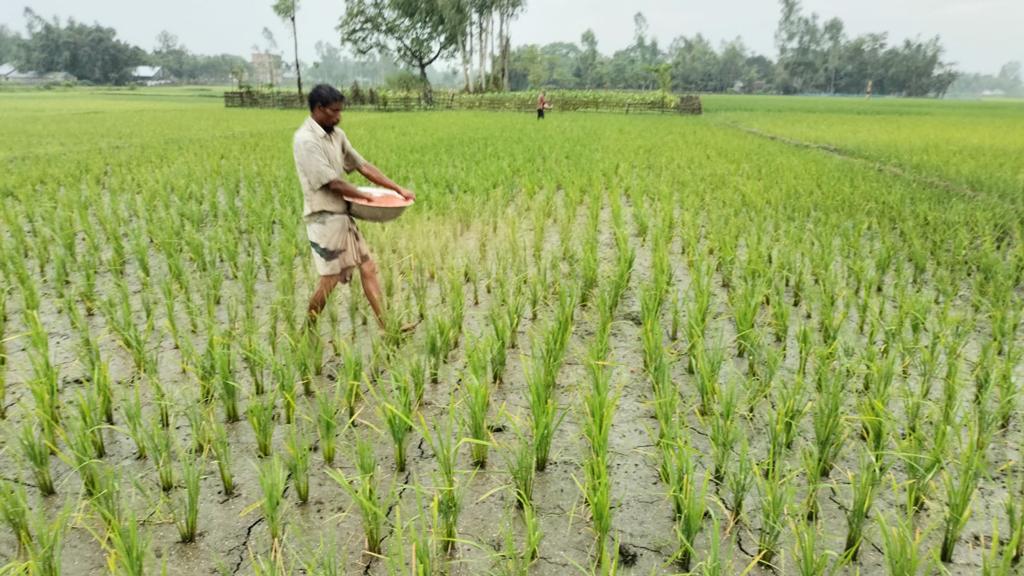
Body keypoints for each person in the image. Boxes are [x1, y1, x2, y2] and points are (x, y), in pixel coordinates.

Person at [293, 83, 415, 328]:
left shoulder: (337, 136)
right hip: (324, 218)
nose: (339, 117)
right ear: (318, 109)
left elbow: (363, 166)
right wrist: (367, 197)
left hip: (344, 216)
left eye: (340, 111)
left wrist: (396, 189)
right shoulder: (305, 140)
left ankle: (387, 327)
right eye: (334, 111)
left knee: (368, 267)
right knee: (329, 280)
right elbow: (332, 183)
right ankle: (306, 331)